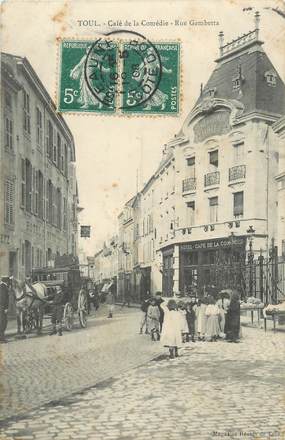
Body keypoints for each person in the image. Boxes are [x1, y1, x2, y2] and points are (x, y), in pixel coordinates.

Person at [0, 276, 10, 343]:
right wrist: (5, 308)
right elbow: (3, 298)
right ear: (7, 281)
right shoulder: (3, 287)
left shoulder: (2, 286)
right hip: (2, 307)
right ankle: (2, 338)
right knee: (3, 322)